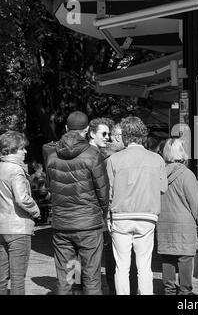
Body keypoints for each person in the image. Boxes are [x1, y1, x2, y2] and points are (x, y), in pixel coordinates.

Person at [43, 111, 109, 295]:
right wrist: (101, 214)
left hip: (62, 224)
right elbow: (103, 192)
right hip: (88, 224)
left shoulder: (52, 155)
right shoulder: (93, 154)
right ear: (87, 130)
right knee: (91, 275)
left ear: (66, 128)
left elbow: (50, 187)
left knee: (67, 275)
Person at [106, 116, 168, 295]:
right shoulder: (157, 159)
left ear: (125, 136)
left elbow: (108, 193)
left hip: (120, 216)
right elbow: (162, 188)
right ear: (142, 135)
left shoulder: (114, 160)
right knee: (144, 265)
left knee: (122, 266)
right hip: (147, 216)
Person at [157, 138, 198, 295]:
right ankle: (185, 292)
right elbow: (196, 203)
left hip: (164, 222)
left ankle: (169, 290)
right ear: (182, 152)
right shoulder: (187, 175)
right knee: (185, 258)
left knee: (168, 258)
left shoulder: (159, 174)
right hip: (185, 224)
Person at [100, 122, 138, 295]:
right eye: (125, 137)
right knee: (119, 258)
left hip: (118, 213)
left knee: (118, 258)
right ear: (117, 138)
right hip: (116, 213)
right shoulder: (112, 159)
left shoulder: (108, 157)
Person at [0, 131, 41, 295]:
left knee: (1, 277)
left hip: (2, 228)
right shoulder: (16, 170)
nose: (25, 152)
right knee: (18, 277)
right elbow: (22, 199)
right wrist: (36, 210)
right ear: (12, 149)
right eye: (22, 148)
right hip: (18, 228)